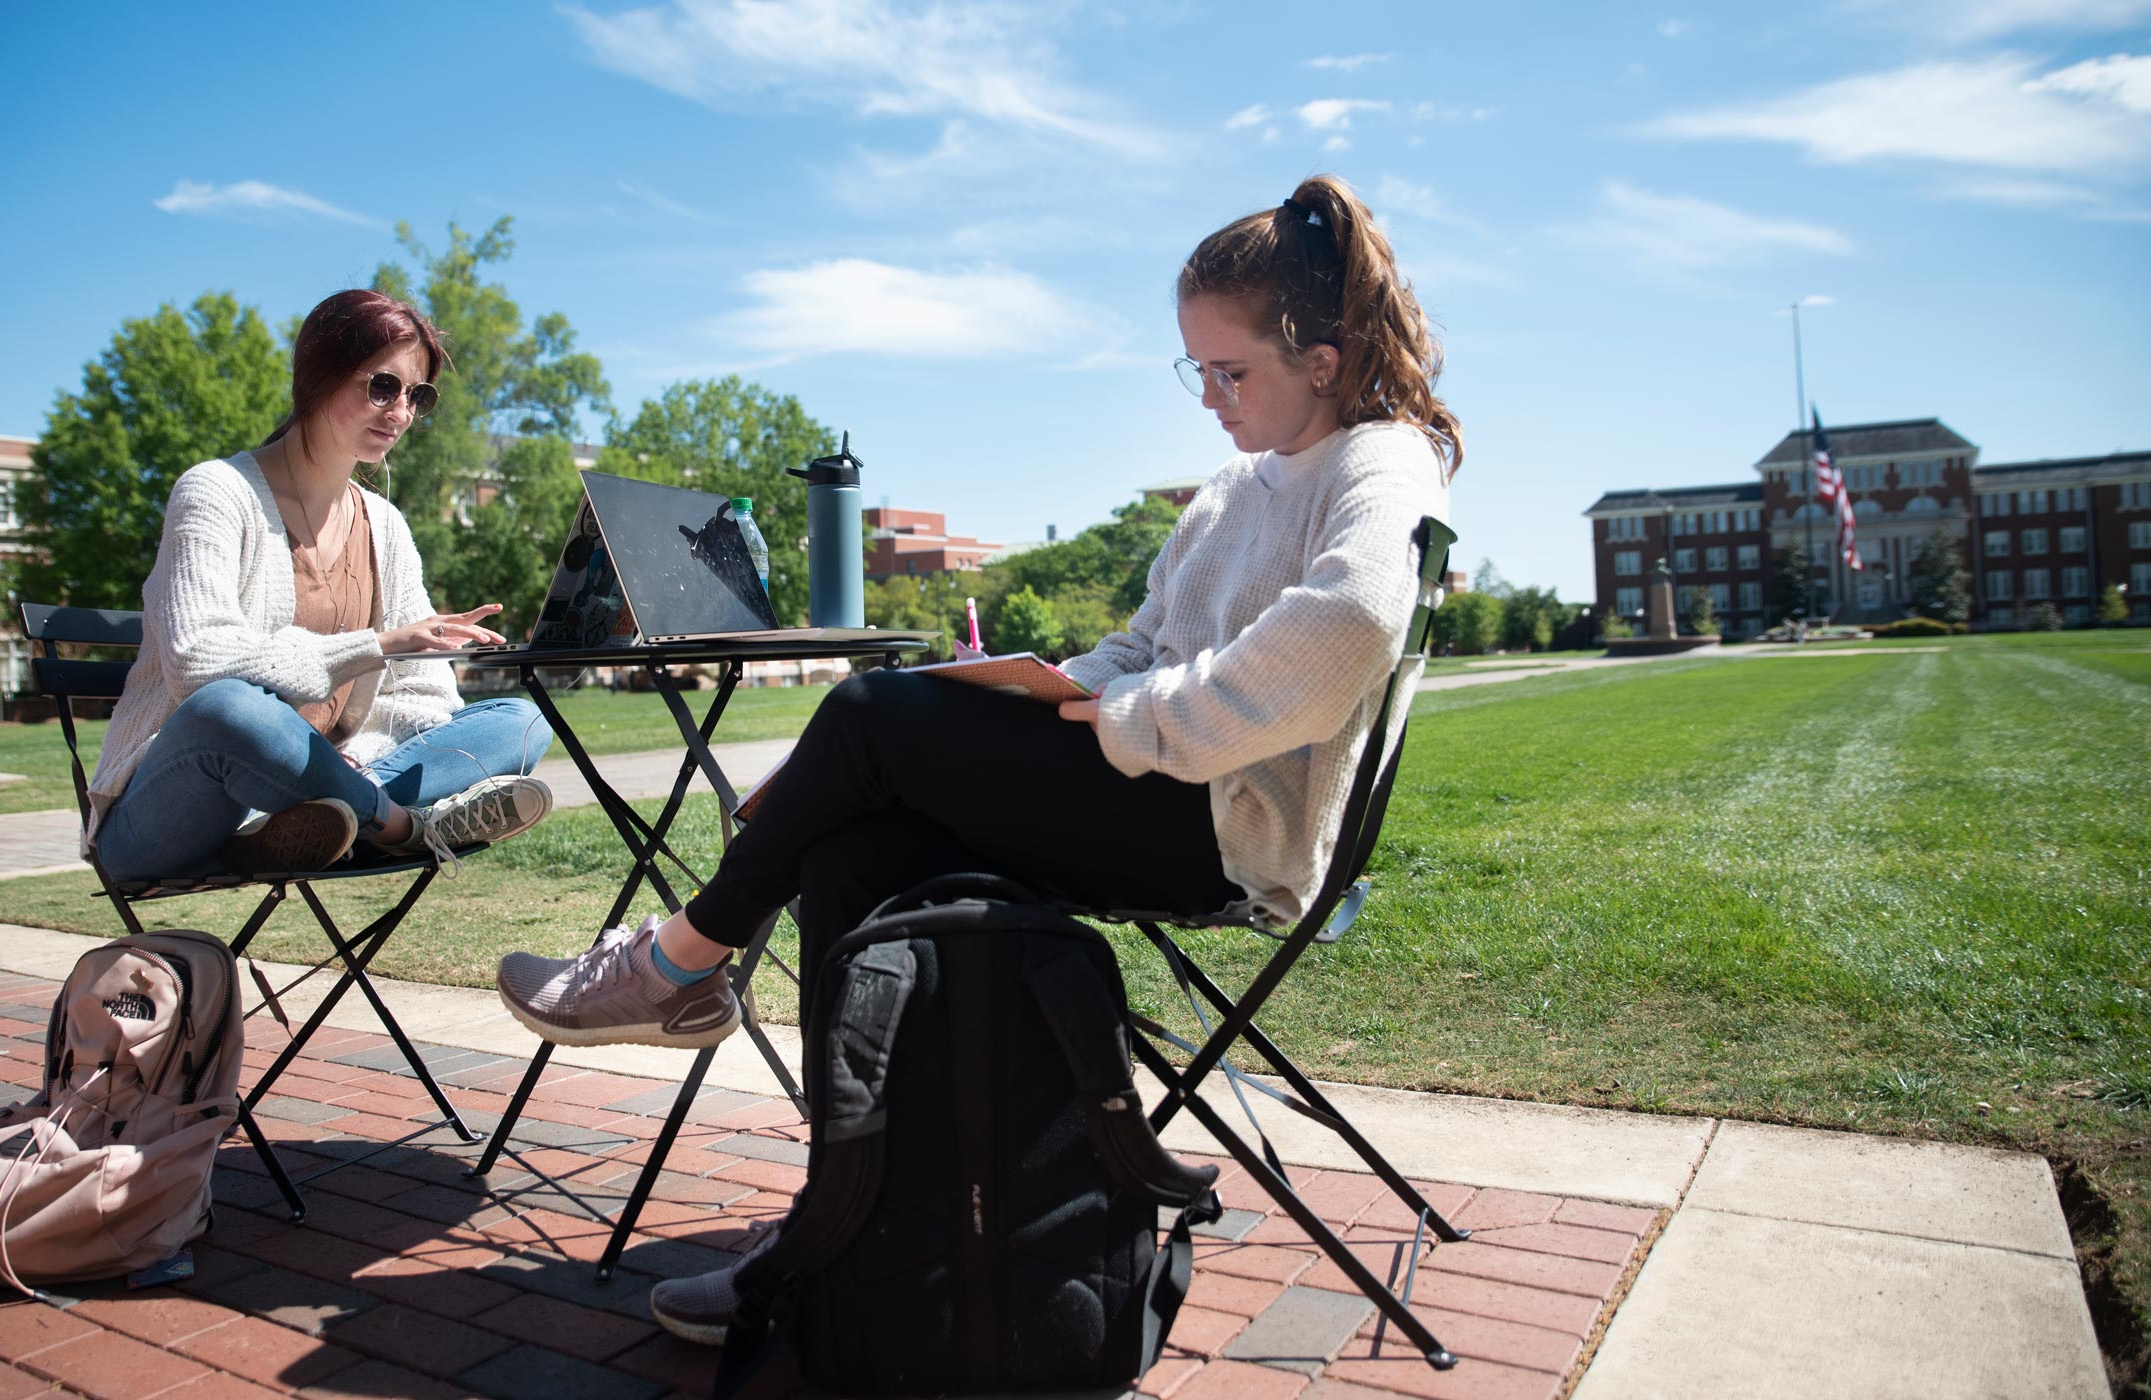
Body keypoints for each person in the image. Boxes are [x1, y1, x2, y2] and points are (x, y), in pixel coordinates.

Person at [497, 175, 1461, 1343]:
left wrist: (1129, 719)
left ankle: (679, 961)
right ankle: (844, 1220)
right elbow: (1142, 645)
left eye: (1230, 370)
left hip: (1222, 831)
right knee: (851, 847)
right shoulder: (1229, 490)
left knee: (865, 713)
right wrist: (1056, 686)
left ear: (1326, 352)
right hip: (1149, 786)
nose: (1207, 397)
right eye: (1192, 371)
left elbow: (1351, 624)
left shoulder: (1380, 459)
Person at [85, 289, 557, 884]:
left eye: (418, 395)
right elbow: (197, 662)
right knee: (232, 708)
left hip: (328, 799)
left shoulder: (385, 527)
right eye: (383, 386)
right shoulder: (214, 492)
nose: (402, 413)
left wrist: (352, 763)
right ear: (318, 374)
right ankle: (402, 827)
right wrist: (376, 646)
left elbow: (430, 698)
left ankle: (324, 820)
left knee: (522, 722)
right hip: (176, 811)